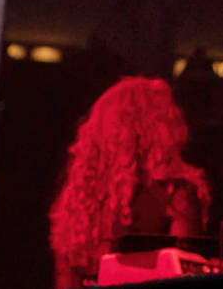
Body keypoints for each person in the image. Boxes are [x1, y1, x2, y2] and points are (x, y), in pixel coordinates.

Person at [46, 76, 209, 287]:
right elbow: (182, 272)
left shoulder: (79, 197)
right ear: (161, 128)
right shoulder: (174, 195)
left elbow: (64, 280)